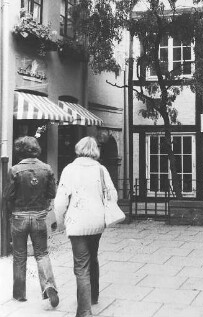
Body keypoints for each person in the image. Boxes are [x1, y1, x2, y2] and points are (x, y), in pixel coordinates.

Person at [54, 136, 117, 317]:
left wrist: (60, 223)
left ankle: (84, 311)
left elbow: (60, 202)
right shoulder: (101, 169)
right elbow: (113, 196)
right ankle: (93, 295)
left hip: (77, 222)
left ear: (78, 148)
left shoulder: (69, 169)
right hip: (97, 222)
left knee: (81, 265)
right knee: (93, 256)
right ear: (95, 150)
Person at [4, 136, 59, 307]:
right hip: (39, 216)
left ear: (20, 150)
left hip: (19, 217)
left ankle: (19, 293)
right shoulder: (47, 168)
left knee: (19, 256)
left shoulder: (14, 170)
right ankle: (49, 286)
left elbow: (7, 195)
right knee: (42, 254)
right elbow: (52, 193)